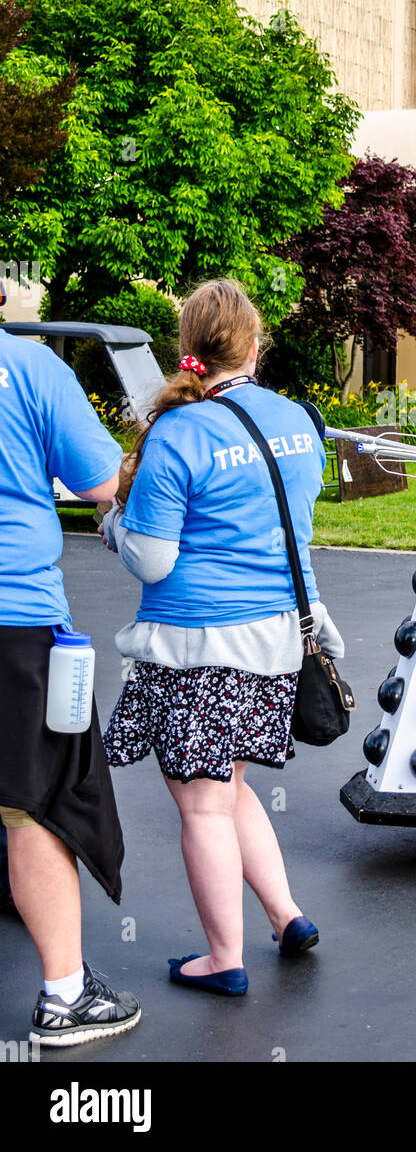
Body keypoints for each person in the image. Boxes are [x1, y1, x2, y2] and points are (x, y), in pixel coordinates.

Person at [101, 278, 343, 996]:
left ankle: (222, 957)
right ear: (256, 346)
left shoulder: (177, 432)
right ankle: (286, 915)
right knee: (230, 791)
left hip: (196, 646)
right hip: (274, 639)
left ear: (186, 349)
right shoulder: (299, 422)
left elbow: (153, 558)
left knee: (203, 804)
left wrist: (111, 525)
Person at [0, 301, 141, 1047]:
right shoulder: (30, 368)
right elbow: (98, 485)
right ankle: (64, 996)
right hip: (14, 617)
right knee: (37, 808)